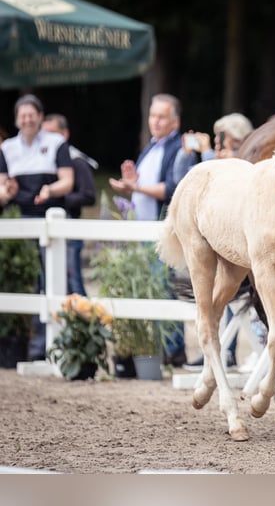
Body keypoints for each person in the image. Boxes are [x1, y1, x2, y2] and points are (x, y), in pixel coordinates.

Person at [109, 93, 186, 367]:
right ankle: (162, 348)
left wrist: (135, 187)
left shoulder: (178, 148)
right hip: (143, 232)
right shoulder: (152, 147)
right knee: (152, 290)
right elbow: (143, 188)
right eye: (152, 115)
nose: (155, 121)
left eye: (161, 116)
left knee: (164, 288)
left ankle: (174, 349)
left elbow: (173, 189)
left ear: (174, 121)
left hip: (161, 232)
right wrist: (132, 183)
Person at [175, 113, 255, 370]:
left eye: (224, 137)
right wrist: (187, 153)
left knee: (233, 295)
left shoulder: (246, 161)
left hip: (240, 237)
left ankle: (229, 350)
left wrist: (210, 153)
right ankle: (218, 348)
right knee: (223, 294)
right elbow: (182, 177)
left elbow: (231, 183)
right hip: (221, 235)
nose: (220, 142)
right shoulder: (219, 160)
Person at [0, 94, 74, 360]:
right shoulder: (8, 148)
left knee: (53, 283)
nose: (28, 119)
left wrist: (48, 189)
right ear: (17, 119)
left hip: (49, 219)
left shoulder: (55, 144)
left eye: (32, 114)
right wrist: (7, 191)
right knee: (26, 286)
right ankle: (31, 348)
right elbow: (2, 187)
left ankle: (56, 346)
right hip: (20, 223)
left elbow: (67, 181)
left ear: (40, 116)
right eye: (23, 115)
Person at [41, 114, 98, 296]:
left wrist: (58, 199)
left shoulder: (76, 161)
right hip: (48, 228)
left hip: (69, 228)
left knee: (74, 284)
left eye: (53, 134)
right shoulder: (43, 162)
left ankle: (87, 324)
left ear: (64, 134)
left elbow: (89, 195)